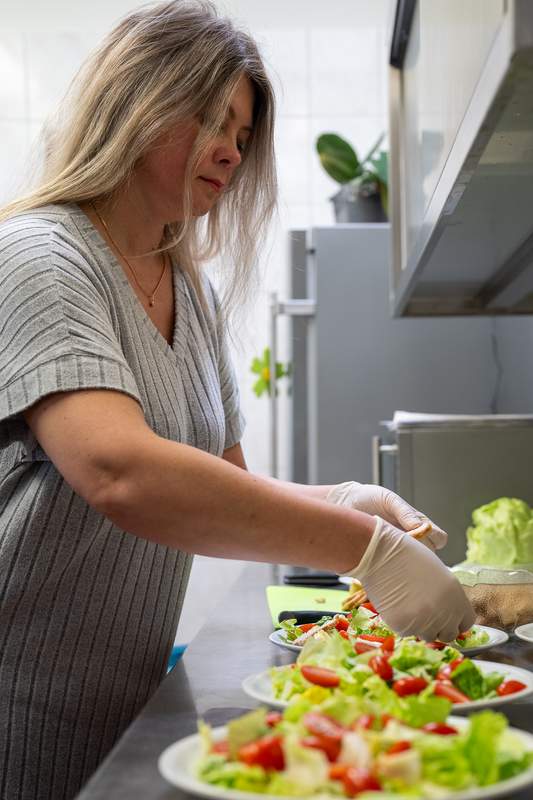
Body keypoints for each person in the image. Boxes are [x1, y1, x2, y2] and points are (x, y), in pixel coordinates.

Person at [0, 2, 474, 798]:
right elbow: (121, 471)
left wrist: (344, 499)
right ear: (136, 104)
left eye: (243, 136)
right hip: (19, 704)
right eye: (211, 121)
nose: (229, 152)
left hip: (122, 698)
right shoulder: (40, 255)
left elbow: (223, 484)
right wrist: (366, 549)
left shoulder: (189, 283)